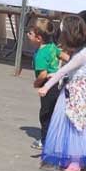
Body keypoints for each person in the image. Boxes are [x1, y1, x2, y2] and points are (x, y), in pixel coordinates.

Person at [39, 15, 86, 171]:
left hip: (79, 95)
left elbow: (64, 70)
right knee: (68, 124)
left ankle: (76, 160)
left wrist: (46, 86)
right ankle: (72, 157)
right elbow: (68, 71)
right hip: (71, 91)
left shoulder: (82, 54)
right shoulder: (79, 51)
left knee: (78, 125)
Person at [29, 18, 61, 151]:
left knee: (45, 114)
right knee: (54, 112)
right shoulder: (52, 47)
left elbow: (43, 74)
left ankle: (45, 140)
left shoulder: (41, 54)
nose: (28, 35)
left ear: (39, 38)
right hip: (57, 83)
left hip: (47, 85)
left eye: (30, 33)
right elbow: (62, 55)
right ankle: (55, 138)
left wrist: (36, 83)